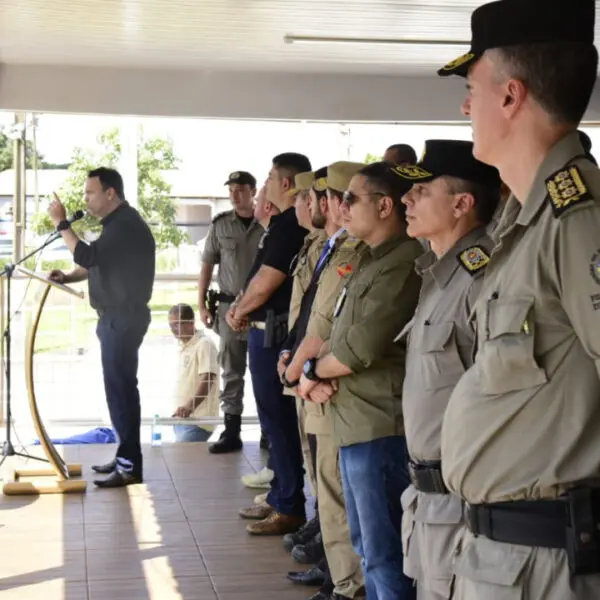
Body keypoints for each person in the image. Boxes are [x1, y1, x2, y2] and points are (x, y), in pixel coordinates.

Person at [437, 1, 600, 598]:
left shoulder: (577, 219)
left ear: (511, 96)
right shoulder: (522, 224)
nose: (465, 106)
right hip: (507, 557)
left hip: (546, 564)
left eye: (472, 88)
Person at [297, 162, 423, 600]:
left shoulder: (404, 261)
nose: (340, 207)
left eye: (351, 198)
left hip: (379, 427)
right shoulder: (366, 257)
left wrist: (312, 372)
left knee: (385, 555)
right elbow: (334, 334)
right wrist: (312, 375)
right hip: (353, 420)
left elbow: (360, 346)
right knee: (366, 548)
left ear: (385, 206)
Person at [394, 140, 500, 600]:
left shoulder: (483, 277)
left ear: (461, 204)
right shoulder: (438, 275)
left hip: (463, 506)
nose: (406, 200)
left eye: (421, 192)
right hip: (427, 501)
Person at [283, 161, 367, 600]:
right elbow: (308, 318)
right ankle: (339, 575)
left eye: (318, 197)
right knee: (324, 482)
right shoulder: (330, 248)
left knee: (338, 493)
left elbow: (338, 330)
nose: (311, 204)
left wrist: (305, 371)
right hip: (311, 378)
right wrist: (291, 363)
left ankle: (347, 584)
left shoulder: (358, 253)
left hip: (332, 386)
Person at [48, 167, 155, 488]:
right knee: (118, 392)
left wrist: (62, 224)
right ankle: (126, 456)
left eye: (90, 192)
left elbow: (86, 253)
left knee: (121, 392)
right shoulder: (116, 225)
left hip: (123, 319)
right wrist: (67, 277)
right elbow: (95, 263)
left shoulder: (125, 224)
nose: (86, 199)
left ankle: (129, 465)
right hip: (114, 318)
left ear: (110, 193)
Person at [228, 153, 311, 536]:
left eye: (270, 177)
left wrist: (239, 309)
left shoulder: (291, 224)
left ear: (288, 183)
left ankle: (290, 504)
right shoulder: (278, 224)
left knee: (278, 422)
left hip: (274, 331)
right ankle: (280, 496)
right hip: (263, 328)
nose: (265, 184)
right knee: (270, 421)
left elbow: (269, 279)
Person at [199, 170, 263, 455]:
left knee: (265, 372)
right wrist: (201, 303)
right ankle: (232, 430)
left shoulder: (268, 222)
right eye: (231, 189)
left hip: (263, 310)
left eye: (240, 189)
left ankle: (270, 431)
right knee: (232, 371)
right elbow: (207, 265)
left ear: (253, 190)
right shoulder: (221, 225)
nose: (235, 194)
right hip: (227, 311)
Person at [168, 304, 219, 442]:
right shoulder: (185, 346)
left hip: (198, 421)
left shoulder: (204, 344)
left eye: (177, 324)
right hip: (182, 420)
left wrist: (189, 406)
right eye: (171, 325)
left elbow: (208, 378)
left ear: (191, 323)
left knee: (182, 462)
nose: (173, 329)